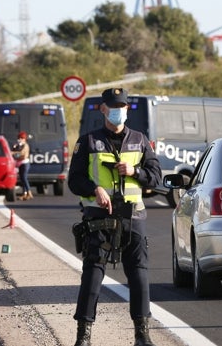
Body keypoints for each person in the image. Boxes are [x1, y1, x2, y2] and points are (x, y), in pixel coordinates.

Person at [68, 88, 161, 346]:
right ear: (103, 109)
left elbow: (155, 178)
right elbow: (74, 180)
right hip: (99, 216)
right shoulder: (88, 141)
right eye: (113, 106)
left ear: (127, 109)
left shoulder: (141, 140)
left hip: (133, 216)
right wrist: (94, 189)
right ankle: (83, 335)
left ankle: (142, 334)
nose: (118, 110)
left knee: (139, 274)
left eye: (122, 106)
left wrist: (135, 171)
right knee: (93, 273)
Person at [11, 131, 32, 200]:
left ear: (24, 139)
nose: (19, 139)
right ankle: (24, 194)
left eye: (21, 138)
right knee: (22, 179)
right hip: (19, 163)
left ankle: (29, 192)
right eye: (19, 138)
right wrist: (14, 149)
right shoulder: (18, 145)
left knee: (24, 177)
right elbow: (15, 152)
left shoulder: (25, 146)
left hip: (25, 163)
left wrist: (13, 153)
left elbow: (22, 154)